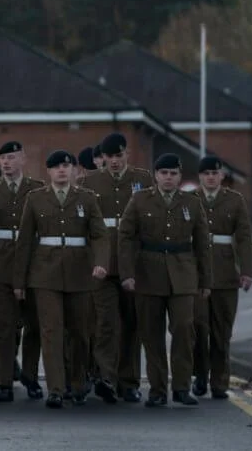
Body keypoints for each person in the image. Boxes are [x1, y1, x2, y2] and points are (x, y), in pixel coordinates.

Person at [12, 149, 111, 409]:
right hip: (45, 273)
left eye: (66, 166)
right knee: (51, 331)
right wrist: (19, 282)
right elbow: (24, 242)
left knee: (80, 332)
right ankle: (55, 389)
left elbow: (100, 234)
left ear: (74, 170)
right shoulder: (35, 199)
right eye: (56, 167)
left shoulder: (87, 198)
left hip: (79, 273)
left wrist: (101, 262)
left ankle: (77, 384)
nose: (62, 170)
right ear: (49, 171)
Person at [118, 153, 213, 407]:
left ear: (180, 177)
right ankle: (158, 389)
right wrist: (127, 273)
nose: (168, 178)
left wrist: (205, 280)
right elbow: (125, 237)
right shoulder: (139, 200)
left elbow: (203, 244)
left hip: (183, 275)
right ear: (155, 175)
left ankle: (181, 387)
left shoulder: (191, 203)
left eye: (173, 173)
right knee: (151, 334)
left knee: (183, 329)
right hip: (148, 273)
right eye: (163, 173)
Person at [82, 132, 153, 403]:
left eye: (118, 156)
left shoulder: (143, 181)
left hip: (133, 265)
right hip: (101, 265)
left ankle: (129, 382)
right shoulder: (89, 182)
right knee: (106, 324)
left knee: (132, 325)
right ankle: (106, 378)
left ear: (126, 155)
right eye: (109, 156)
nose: (114, 161)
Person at [0, 140, 45, 402]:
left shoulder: (37, 189)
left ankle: (30, 376)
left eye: (11, 157)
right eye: (2, 158)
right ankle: (4, 381)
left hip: (32, 263)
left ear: (23, 159)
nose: (6, 162)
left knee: (35, 325)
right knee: (2, 326)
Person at [192, 156, 252, 400]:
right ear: (199, 176)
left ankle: (219, 382)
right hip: (197, 276)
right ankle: (199, 376)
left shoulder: (235, 201)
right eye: (206, 173)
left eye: (214, 173)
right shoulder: (190, 200)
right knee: (198, 329)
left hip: (226, 274)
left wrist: (246, 271)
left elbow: (244, 238)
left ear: (221, 176)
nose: (210, 177)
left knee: (222, 332)